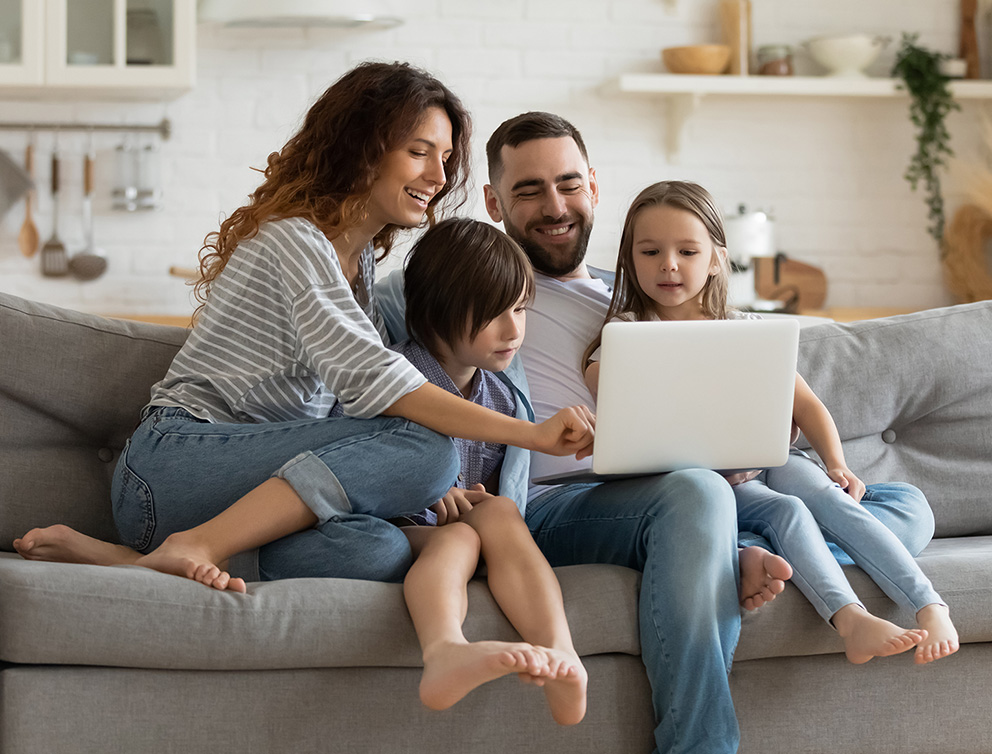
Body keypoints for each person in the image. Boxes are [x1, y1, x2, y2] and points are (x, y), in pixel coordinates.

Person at [13, 63, 594, 600]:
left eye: (444, 157)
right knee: (429, 449)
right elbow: (381, 386)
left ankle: (133, 562)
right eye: (420, 152)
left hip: (247, 490)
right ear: (363, 150)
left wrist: (408, 483)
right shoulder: (296, 241)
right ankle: (195, 544)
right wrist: (533, 436)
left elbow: (355, 419)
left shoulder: (359, 267)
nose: (439, 177)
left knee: (381, 549)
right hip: (173, 469)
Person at [469, 111, 940, 754]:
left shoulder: (636, 298)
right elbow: (407, 372)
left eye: (568, 184)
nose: (555, 205)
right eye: (529, 190)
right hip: (565, 503)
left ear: (595, 189)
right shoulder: (481, 290)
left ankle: (736, 549)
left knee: (904, 508)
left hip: (684, 490)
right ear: (494, 202)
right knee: (701, 491)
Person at [582, 179, 958, 667]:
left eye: (687, 251)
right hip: (710, 486)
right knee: (790, 513)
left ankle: (930, 605)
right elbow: (616, 409)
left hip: (771, 459)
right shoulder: (626, 338)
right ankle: (850, 618)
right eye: (650, 251)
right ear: (630, 260)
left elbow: (809, 407)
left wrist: (837, 464)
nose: (668, 264)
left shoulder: (745, 329)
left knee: (833, 497)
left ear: (716, 258)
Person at [378, 216, 586, 724]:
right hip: (396, 527)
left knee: (500, 515)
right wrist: (425, 491)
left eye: (519, 309)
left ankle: (562, 654)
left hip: (463, 524)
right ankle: (445, 649)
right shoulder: (392, 379)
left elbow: (493, 485)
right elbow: (353, 462)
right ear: (435, 314)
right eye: (493, 315)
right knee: (462, 541)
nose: (514, 330)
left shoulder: (501, 396)